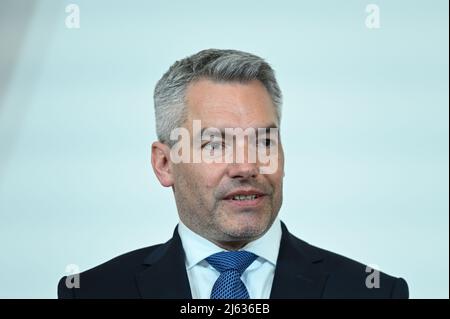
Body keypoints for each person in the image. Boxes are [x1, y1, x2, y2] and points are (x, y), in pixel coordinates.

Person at [58, 49, 409, 299]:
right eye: (216, 144)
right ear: (165, 164)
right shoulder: (93, 292)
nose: (246, 166)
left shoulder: (372, 292)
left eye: (264, 140)